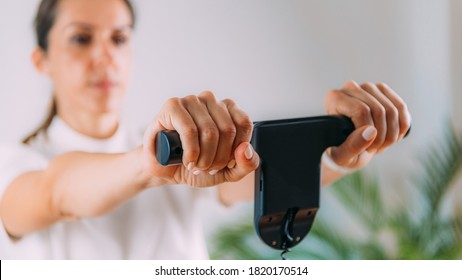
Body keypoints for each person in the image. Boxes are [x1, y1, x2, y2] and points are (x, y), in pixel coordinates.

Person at [0, 0, 411, 259]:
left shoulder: (179, 147)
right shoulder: (17, 165)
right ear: (42, 60)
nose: (104, 56)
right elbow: (57, 193)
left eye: (119, 39)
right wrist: (148, 165)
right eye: (81, 39)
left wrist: (336, 158)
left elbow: (252, 179)